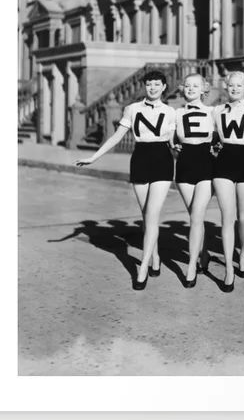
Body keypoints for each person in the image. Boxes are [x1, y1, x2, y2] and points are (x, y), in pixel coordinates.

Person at [75, 70, 176, 291]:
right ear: (144, 87)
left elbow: (172, 140)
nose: (152, 88)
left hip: (163, 161)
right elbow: (116, 136)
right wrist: (94, 157)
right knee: (146, 215)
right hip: (140, 159)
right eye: (149, 84)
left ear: (164, 87)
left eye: (157, 84)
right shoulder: (132, 109)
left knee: (152, 214)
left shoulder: (171, 112)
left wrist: (178, 146)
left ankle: (142, 269)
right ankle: (155, 257)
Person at [212, 71, 244, 292]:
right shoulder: (216, 111)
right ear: (226, 87)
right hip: (223, 162)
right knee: (227, 217)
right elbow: (211, 136)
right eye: (231, 85)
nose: (234, 89)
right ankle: (229, 270)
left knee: (243, 218)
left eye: (238, 86)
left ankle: (243, 253)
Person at [172, 73, 215, 289]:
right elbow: (170, 139)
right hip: (184, 166)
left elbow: (222, 137)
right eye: (187, 85)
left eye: (195, 86)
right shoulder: (176, 113)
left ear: (203, 89)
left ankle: (190, 267)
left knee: (197, 216)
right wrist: (174, 146)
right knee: (194, 216)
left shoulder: (213, 112)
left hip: (206, 165)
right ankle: (204, 254)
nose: (190, 89)